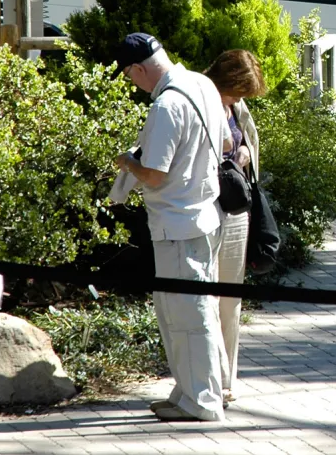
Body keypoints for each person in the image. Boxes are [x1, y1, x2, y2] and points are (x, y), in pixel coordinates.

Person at [112, 32, 230, 422]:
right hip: (206, 216)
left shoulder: (166, 105)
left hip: (178, 224)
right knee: (197, 312)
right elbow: (226, 143)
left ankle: (202, 402)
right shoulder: (203, 83)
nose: (133, 83)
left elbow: (155, 175)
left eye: (129, 76)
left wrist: (128, 162)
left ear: (139, 68)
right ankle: (190, 393)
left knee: (186, 318)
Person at [203, 49, 267, 404]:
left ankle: (227, 380)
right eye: (237, 91)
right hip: (208, 209)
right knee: (207, 301)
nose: (239, 99)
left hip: (237, 210)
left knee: (231, 301)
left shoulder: (236, 107)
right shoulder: (201, 98)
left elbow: (250, 146)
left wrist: (245, 156)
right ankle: (209, 377)